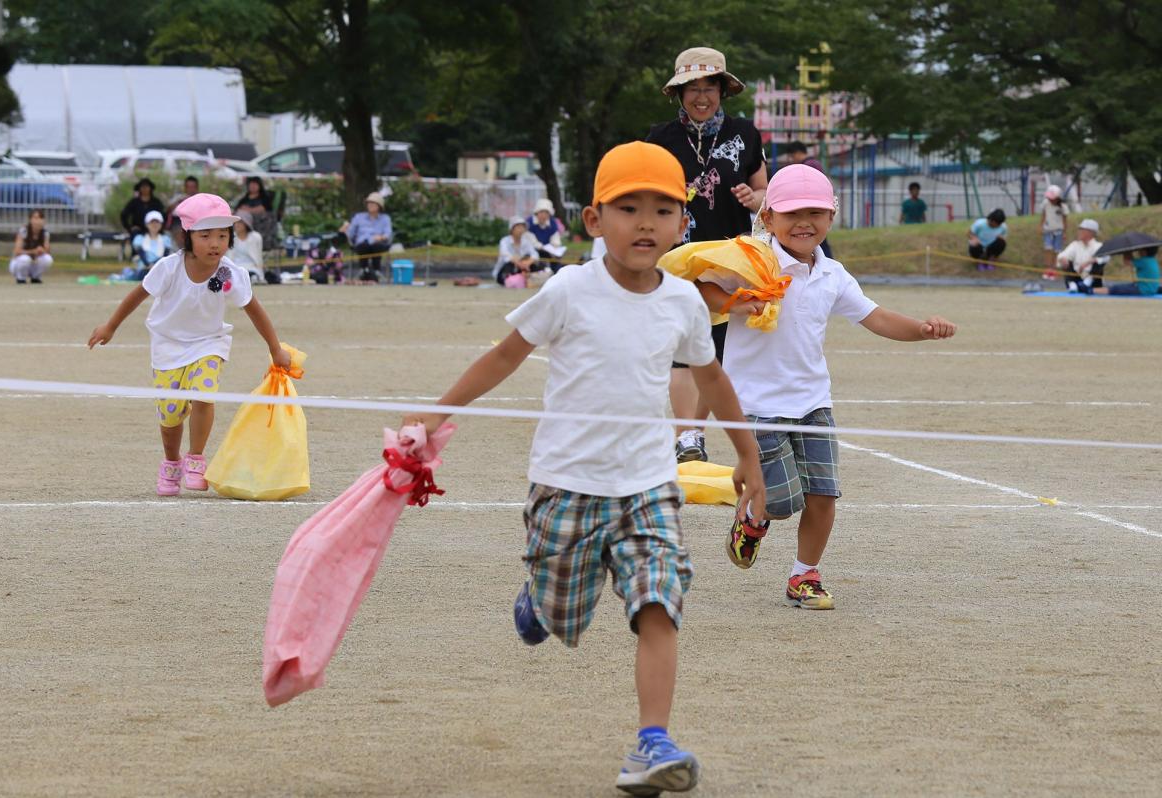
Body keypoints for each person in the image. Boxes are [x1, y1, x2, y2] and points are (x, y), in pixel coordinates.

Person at [401, 141, 766, 796]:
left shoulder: (684, 303)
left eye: (663, 209)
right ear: (595, 220)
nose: (647, 223)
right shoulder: (569, 289)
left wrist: (748, 457)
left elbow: (711, 380)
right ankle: (540, 603)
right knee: (559, 621)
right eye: (628, 208)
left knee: (660, 597)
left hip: (648, 485)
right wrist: (434, 414)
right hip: (567, 484)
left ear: (684, 224)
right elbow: (505, 357)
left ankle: (651, 742)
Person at [694, 164, 956, 610]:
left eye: (816, 212)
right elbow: (702, 287)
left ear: (831, 218)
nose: (804, 222)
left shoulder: (833, 273)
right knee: (781, 502)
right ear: (769, 217)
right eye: (793, 212)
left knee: (822, 494)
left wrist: (922, 329)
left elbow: (876, 317)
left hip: (814, 403)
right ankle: (752, 518)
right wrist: (739, 302)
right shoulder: (751, 260)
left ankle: (804, 575)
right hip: (755, 406)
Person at [87, 193, 291, 496]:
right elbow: (137, 295)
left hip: (208, 342)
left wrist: (275, 347)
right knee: (170, 416)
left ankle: (196, 458)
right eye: (205, 235)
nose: (215, 243)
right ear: (187, 236)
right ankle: (172, 463)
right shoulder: (169, 268)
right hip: (167, 346)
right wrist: (111, 326)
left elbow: (253, 308)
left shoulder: (227, 273)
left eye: (223, 236)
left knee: (204, 393)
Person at [646, 45, 768, 464]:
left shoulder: (745, 134)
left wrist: (754, 198)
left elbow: (767, 196)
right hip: (678, 256)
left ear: (722, 90)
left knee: (718, 350)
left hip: (731, 256)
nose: (702, 96)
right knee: (683, 345)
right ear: (678, 93)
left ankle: (694, 432)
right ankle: (688, 438)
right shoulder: (659, 139)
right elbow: (645, 195)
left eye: (709, 87)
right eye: (692, 88)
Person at [344, 192, 392, 282]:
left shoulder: (385, 218)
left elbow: (388, 233)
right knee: (363, 246)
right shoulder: (358, 217)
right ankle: (363, 270)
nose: (370, 205)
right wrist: (345, 230)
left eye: (373, 204)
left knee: (376, 246)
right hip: (361, 243)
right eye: (369, 203)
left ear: (379, 206)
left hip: (378, 243)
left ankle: (376, 271)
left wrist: (381, 237)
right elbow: (350, 233)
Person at [1056, 218, 1108, 292]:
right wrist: (1063, 259)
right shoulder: (1075, 245)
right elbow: (1062, 255)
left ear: (1091, 232)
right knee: (1065, 261)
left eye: (1082, 230)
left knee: (1099, 262)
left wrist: (1089, 262)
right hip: (1077, 277)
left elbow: (1106, 257)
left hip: (1094, 281)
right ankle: (1072, 285)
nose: (1079, 232)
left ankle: (1087, 282)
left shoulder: (1098, 246)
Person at [493, 217, 541, 287]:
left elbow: (535, 254)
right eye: (518, 227)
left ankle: (523, 278)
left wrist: (528, 263)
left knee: (536, 265)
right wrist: (519, 263)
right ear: (512, 229)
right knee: (510, 265)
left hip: (523, 268)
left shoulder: (526, 241)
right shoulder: (504, 241)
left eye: (522, 227)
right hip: (507, 268)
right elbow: (506, 256)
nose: (521, 230)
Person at [9, 209, 53, 284]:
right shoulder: (23, 231)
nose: (38, 221)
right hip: (18, 263)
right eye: (35, 218)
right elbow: (17, 251)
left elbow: (47, 251)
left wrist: (42, 251)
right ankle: (21, 278)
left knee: (48, 259)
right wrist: (33, 251)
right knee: (25, 259)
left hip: (34, 263)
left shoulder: (45, 233)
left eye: (40, 218)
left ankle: (35, 277)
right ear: (30, 220)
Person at [1094, 247, 1160, 296]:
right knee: (1119, 287)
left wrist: (1126, 251)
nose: (1139, 251)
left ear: (1144, 251)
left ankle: (1091, 290)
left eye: (1141, 249)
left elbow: (1127, 262)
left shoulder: (1144, 261)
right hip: (1150, 288)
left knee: (1115, 289)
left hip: (1144, 290)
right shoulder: (1152, 260)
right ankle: (1094, 290)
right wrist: (1129, 252)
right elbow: (1132, 261)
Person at [236, 176, 278, 249]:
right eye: (251, 185)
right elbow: (238, 208)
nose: (252, 186)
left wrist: (248, 210)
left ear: (259, 186)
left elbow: (264, 209)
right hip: (243, 218)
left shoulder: (264, 197)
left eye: (255, 185)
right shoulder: (245, 198)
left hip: (260, 221)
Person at [130, 210, 174, 279]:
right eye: (152, 222)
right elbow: (142, 254)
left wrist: (155, 266)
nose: (154, 224)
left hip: (160, 269)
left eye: (157, 222)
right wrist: (149, 265)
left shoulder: (166, 239)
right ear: (146, 224)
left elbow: (165, 255)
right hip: (144, 269)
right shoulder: (139, 238)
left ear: (161, 224)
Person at [526, 197, 568, 266]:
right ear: (537, 212)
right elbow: (533, 242)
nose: (544, 215)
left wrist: (555, 248)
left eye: (546, 213)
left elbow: (555, 238)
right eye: (541, 212)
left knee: (556, 261)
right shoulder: (530, 223)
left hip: (548, 252)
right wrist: (544, 248)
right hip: (533, 252)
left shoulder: (552, 223)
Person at [228, 211, 266, 284]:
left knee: (252, 274)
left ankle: (253, 278)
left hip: (251, 266)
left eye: (240, 222)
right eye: (236, 222)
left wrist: (259, 267)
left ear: (246, 224)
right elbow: (229, 256)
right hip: (235, 266)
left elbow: (258, 256)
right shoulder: (230, 237)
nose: (237, 225)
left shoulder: (256, 237)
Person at [1040, 184, 1070, 270]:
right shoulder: (1045, 203)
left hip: (1059, 231)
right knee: (1048, 248)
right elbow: (1043, 215)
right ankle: (1047, 267)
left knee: (1057, 250)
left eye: (1052, 198)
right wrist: (1040, 226)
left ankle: (1054, 268)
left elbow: (1065, 220)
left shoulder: (1063, 206)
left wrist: (1064, 233)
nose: (1050, 199)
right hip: (1048, 230)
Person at [166, 175, 201, 247]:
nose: (191, 189)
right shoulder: (179, 198)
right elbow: (169, 211)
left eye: (193, 187)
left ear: (197, 188)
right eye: (188, 187)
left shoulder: (201, 199)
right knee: (180, 232)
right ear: (185, 188)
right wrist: (179, 201)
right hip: (179, 223)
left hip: (197, 223)